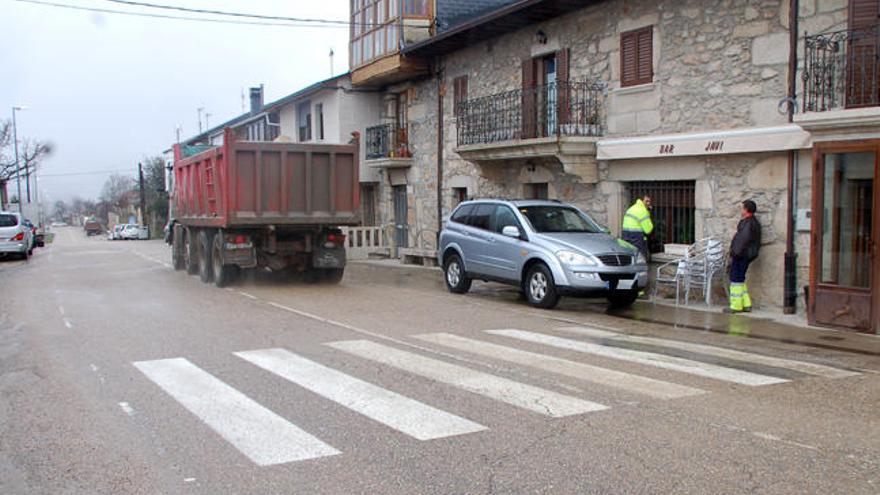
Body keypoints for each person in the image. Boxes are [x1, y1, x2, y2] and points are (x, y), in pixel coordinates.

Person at [725, 200, 761, 313]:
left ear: (746, 209)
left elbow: (742, 240)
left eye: (742, 208)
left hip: (741, 255)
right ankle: (746, 303)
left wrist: (734, 253)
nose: (741, 210)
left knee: (735, 279)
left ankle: (736, 306)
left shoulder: (748, 223)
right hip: (745, 255)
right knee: (740, 279)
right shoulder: (752, 222)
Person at [621, 195, 653, 260]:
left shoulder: (631, 208)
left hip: (625, 235)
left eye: (649, 201)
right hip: (636, 237)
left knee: (628, 256)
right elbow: (648, 230)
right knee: (640, 258)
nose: (648, 203)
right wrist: (648, 212)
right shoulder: (643, 211)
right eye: (646, 201)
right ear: (641, 200)